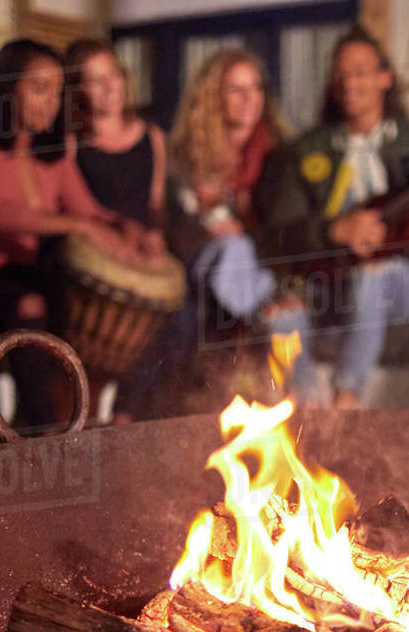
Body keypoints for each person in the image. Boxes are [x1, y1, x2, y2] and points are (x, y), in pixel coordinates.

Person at [259, 25, 409, 408]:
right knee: (280, 322)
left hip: (401, 282)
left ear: (385, 78)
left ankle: (347, 399)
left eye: (360, 71)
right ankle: (310, 418)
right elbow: (281, 236)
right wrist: (332, 230)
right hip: (327, 282)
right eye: (341, 73)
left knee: (371, 276)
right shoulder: (305, 150)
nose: (349, 82)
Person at [0, 39, 144, 433]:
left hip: (27, 270)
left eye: (56, 90)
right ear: (7, 86)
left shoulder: (53, 148)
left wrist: (125, 228)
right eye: (38, 88)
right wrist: (80, 226)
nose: (50, 100)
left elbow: (87, 211)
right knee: (30, 305)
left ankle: (102, 416)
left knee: (98, 301)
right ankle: (45, 433)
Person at [115, 47, 305, 419]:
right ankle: (136, 417)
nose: (250, 99)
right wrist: (205, 222)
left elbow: (290, 235)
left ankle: (306, 420)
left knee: (272, 310)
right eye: (236, 89)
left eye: (255, 88)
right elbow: (173, 234)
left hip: (259, 275)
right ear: (213, 96)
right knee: (227, 252)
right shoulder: (185, 160)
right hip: (202, 270)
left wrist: (246, 226)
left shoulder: (280, 157)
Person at [63, 38, 166, 251]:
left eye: (114, 75)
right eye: (96, 80)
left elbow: (155, 204)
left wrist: (155, 231)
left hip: (141, 247)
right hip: (94, 248)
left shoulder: (152, 135)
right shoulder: (72, 143)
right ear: (77, 89)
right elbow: (69, 207)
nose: (110, 87)